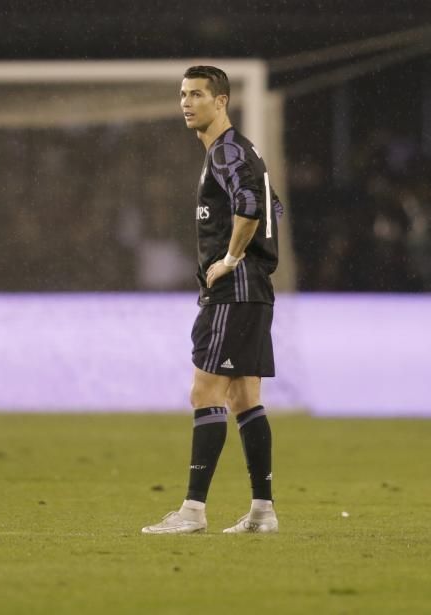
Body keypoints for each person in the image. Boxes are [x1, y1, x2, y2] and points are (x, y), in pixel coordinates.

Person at [142, 66, 283, 534]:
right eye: (183, 94)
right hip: (257, 289)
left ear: (221, 101)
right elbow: (271, 202)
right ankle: (262, 512)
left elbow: (251, 206)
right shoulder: (240, 151)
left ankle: (193, 511)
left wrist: (229, 258)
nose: (187, 102)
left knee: (205, 391)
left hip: (234, 292)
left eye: (197, 94)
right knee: (245, 397)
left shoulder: (226, 152)